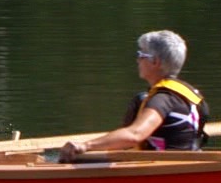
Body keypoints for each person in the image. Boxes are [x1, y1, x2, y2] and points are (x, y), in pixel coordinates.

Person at [59, 29, 207, 161]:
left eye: (141, 55)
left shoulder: (162, 99)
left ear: (155, 62)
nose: (137, 60)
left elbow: (135, 134)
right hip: (186, 163)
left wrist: (86, 145)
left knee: (70, 159)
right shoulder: (188, 95)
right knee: (140, 99)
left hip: (162, 172)